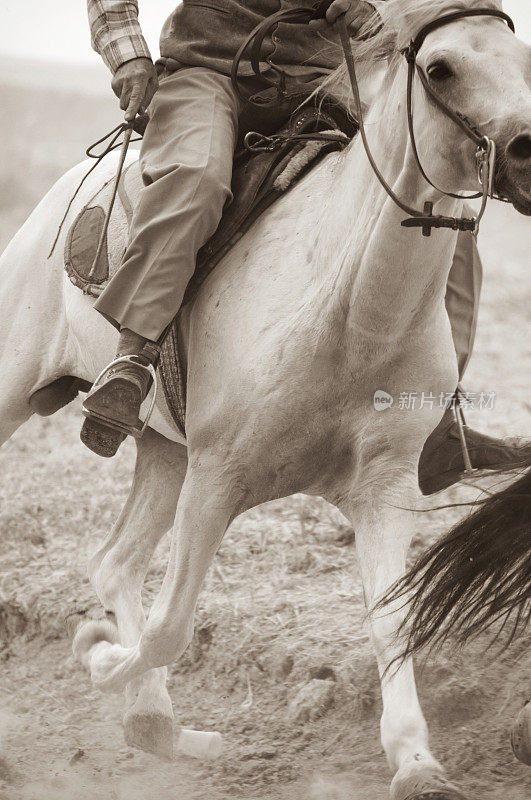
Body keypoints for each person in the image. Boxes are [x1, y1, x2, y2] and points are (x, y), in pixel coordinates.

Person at [83, 0, 527, 493]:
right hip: (209, 72)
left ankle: (436, 427)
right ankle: (132, 358)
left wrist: (370, 11)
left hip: (323, 83)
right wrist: (128, 57)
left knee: (438, 209)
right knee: (196, 181)